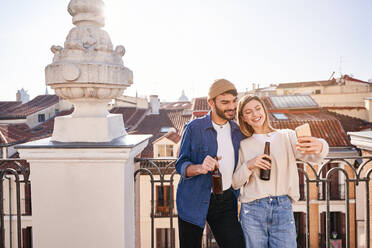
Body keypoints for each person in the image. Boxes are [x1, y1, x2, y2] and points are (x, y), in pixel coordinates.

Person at [232, 95, 329, 248]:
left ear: (264, 110)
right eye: (248, 112)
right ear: (243, 118)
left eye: (258, 109)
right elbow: (235, 183)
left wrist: (322, 145)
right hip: (252, 209)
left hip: (282, 206)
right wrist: (249, 165)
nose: (255, 115)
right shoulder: (243, 145)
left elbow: (313, 156)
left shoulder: (286, 136)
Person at [176, 79, 246, 248]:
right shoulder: (193, 128)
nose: (231, 107)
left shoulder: (238, 131)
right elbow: (180, 165)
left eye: (234, 101)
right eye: (225, 102)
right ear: (211, 102)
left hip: (225, 200)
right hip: (193, 199)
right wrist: (200, 167)